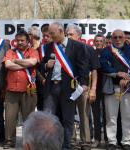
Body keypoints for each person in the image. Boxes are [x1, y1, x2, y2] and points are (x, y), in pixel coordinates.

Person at [42, 22, 89, 150]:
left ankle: (66, 145)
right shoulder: (48, 47)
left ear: (60, 31)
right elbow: (41, 66)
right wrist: (46, 66)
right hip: (52, 87)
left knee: (68, 119)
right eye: (49, 34)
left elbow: (83, 67)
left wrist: (84, 84)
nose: (51, 36)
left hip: (69, 88)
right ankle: (50, 145)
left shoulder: (77, 46)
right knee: (49, 118)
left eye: (52, 33)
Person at [100, 29, 130, 150]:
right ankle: (112, 142)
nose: (117, 39)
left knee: (127, 116)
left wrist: (129, 78)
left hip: (127, 88)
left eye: (120, 37)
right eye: (115, 37)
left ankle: (126, 142)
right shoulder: (107, 51)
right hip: (112, 87)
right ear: (111, 39)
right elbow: (104, 66)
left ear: (124, 37)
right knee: (111, 116)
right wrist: (117, 73)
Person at [3, 30, 39, 149]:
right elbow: (8, 65)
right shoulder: (10, 51)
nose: (19, 42)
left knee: (29, 118)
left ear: (28, 41)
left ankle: (28, 141)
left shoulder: (33, 51)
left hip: (29, 90)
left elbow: (33, 62)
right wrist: (25, 63)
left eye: (22, 40)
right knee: (9, 117)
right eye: (17, 40)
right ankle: (9, 140)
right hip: (12, 90)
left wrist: (17, 61)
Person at [66, 24, 100, 150]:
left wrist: (93, 89)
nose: (68, 37)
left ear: (79, 35)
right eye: (67, 34)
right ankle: (72, 141)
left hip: (83, 87)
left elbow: (95, 70)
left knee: (84, 115)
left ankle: (86, 142)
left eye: (71, 34)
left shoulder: (88, 49)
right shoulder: (64, 49)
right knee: (69, 115)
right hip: (68, 88)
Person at [91, 34, 107, 147]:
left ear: (105, 42)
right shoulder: (91, 53)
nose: (99, 43)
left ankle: (106, 139)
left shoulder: (109, 53)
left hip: (107, 88)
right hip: (95, 88)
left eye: (101, 41)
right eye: (97, 41)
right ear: (94, 42)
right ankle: (96, 138)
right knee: (96, 115)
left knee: (107, 115)